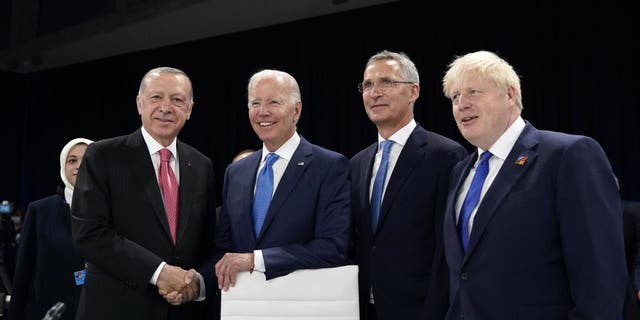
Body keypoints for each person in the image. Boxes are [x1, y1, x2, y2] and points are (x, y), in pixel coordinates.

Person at [441, 50, 627, 319]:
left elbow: (601, 274)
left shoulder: (567, 155)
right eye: (455, 97)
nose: (462, 104)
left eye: (473, 92)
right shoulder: (460, 172)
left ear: (510, 94)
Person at [71, 67, 216, 320]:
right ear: (139, 104)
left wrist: (195, 283)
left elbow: (206, 242)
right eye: (156, 97)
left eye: (177, 99)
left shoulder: (202, 165)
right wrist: (160, 273)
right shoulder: (103, 155)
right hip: (116, 310)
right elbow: (89, 234)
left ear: (190, 109)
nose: (166, 107)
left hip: (180, 311)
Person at [350, 50, 466, 320]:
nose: (374, 92)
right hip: (364, 309)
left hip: (422, 309)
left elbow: (446, 245)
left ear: (413, 91)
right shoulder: (356, 163)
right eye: (367, 85)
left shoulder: (445, 155)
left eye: (386, 82)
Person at [214, 69, 351, 291]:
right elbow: (223, 249)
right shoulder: (235, 172)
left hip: (300, 303)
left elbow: (333, 247)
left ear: (296, 110)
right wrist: (196, 284)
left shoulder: (329, 166)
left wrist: (256, 260)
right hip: (243, 305)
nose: (262, 112)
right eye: (255, 103)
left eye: (273, 102)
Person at [8, 138, 92, 320]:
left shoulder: (114, 210)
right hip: (52, 312)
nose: (79, 166)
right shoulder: (40, 210)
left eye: (86, 160)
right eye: (72, 160)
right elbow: (23, 274)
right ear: (63, 166)